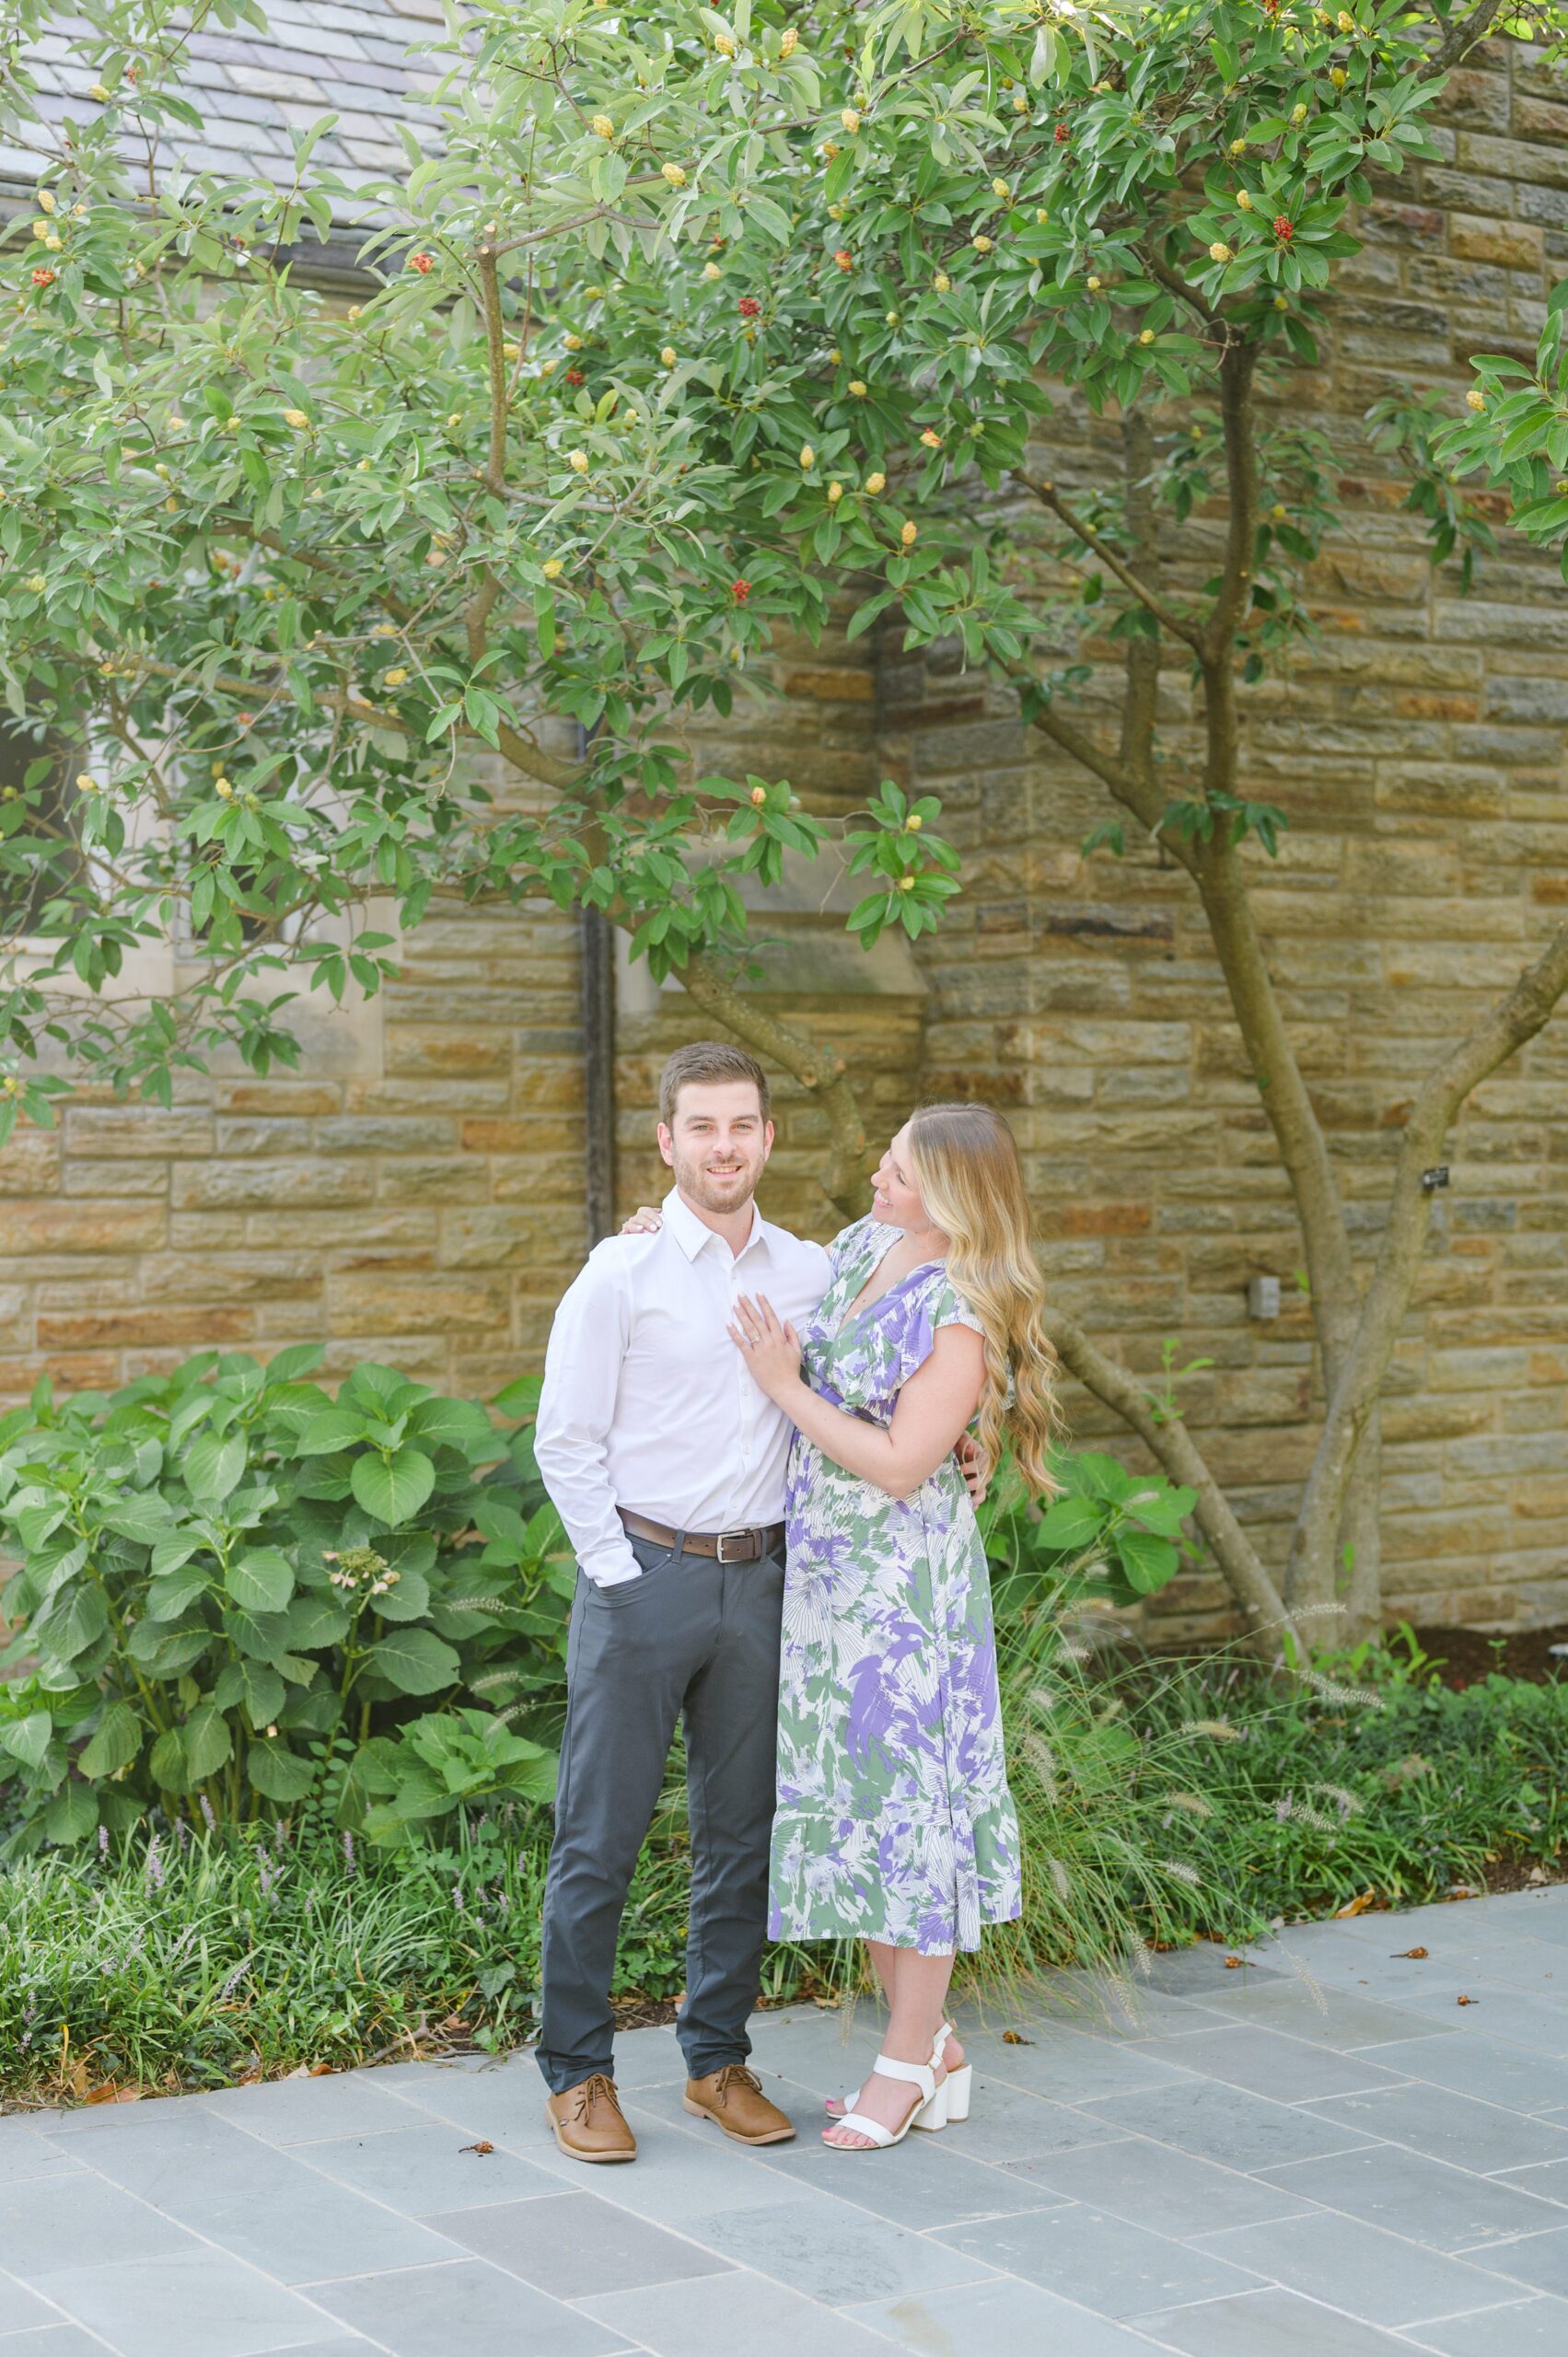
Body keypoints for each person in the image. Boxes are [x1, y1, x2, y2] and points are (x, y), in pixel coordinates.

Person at [619, 1100, 1060, 2154]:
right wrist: (658, 1229)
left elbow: (904, 1463)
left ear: (949, 1193)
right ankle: (934, 2043)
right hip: (828, 1597)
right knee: (867, 1824)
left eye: (898, 1168)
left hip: (905, 1608)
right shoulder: (867, 1244)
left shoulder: (955, 1303)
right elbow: (772, 1269)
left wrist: (783, 1386)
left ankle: (901, 2067)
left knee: (913, 1827)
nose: (876, 1172)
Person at [529, 1040, 830, 2162]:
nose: (723, 1146)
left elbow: (910, 1327)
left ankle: (715, 2059)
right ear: (665, 1141)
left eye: (741, 1124)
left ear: (768, 1136)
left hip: (759, 1581)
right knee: (598, 1837)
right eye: (700, 1127)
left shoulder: (807, 1270)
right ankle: (577, 2072)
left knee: (738, 1834)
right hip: (642, 1578)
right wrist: (619, 1578)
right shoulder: (621, 1273)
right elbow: (565, 1441)